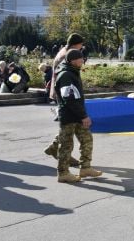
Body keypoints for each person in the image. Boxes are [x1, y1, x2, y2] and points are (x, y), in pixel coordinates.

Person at [54, 49, 102, 183]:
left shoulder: (72, 72)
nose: (83, 61)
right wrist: (83, 116)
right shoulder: (66, 75)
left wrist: (82, 115)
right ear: (73, 60)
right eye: (81, 59)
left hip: (77, 115)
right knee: (66, 145)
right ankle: (63, 173)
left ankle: (85, 168)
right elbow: (69, 99)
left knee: (87, 140)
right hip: (69, 116)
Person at [43, 33, 84, 167]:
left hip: (61, 91)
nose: (82, 47)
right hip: (64, 92)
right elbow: (64, 76)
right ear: (75, 44)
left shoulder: (65, 52)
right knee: (69, 124)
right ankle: (62, 154)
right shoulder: (66, 55)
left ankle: (55, 147)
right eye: (81, 44)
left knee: (68, 125)